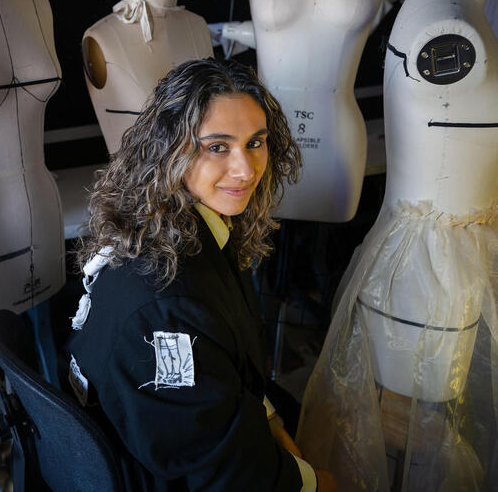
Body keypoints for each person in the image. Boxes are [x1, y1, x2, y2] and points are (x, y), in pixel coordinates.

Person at [67, 58, 336, 491]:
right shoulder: (169, 305)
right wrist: (312, 484)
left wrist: (268, 418)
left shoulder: (175, 230)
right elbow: (217, 469)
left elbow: (218, 383)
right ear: (168, 149)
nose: (246, 170)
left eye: (255, 143)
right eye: (217, 147)